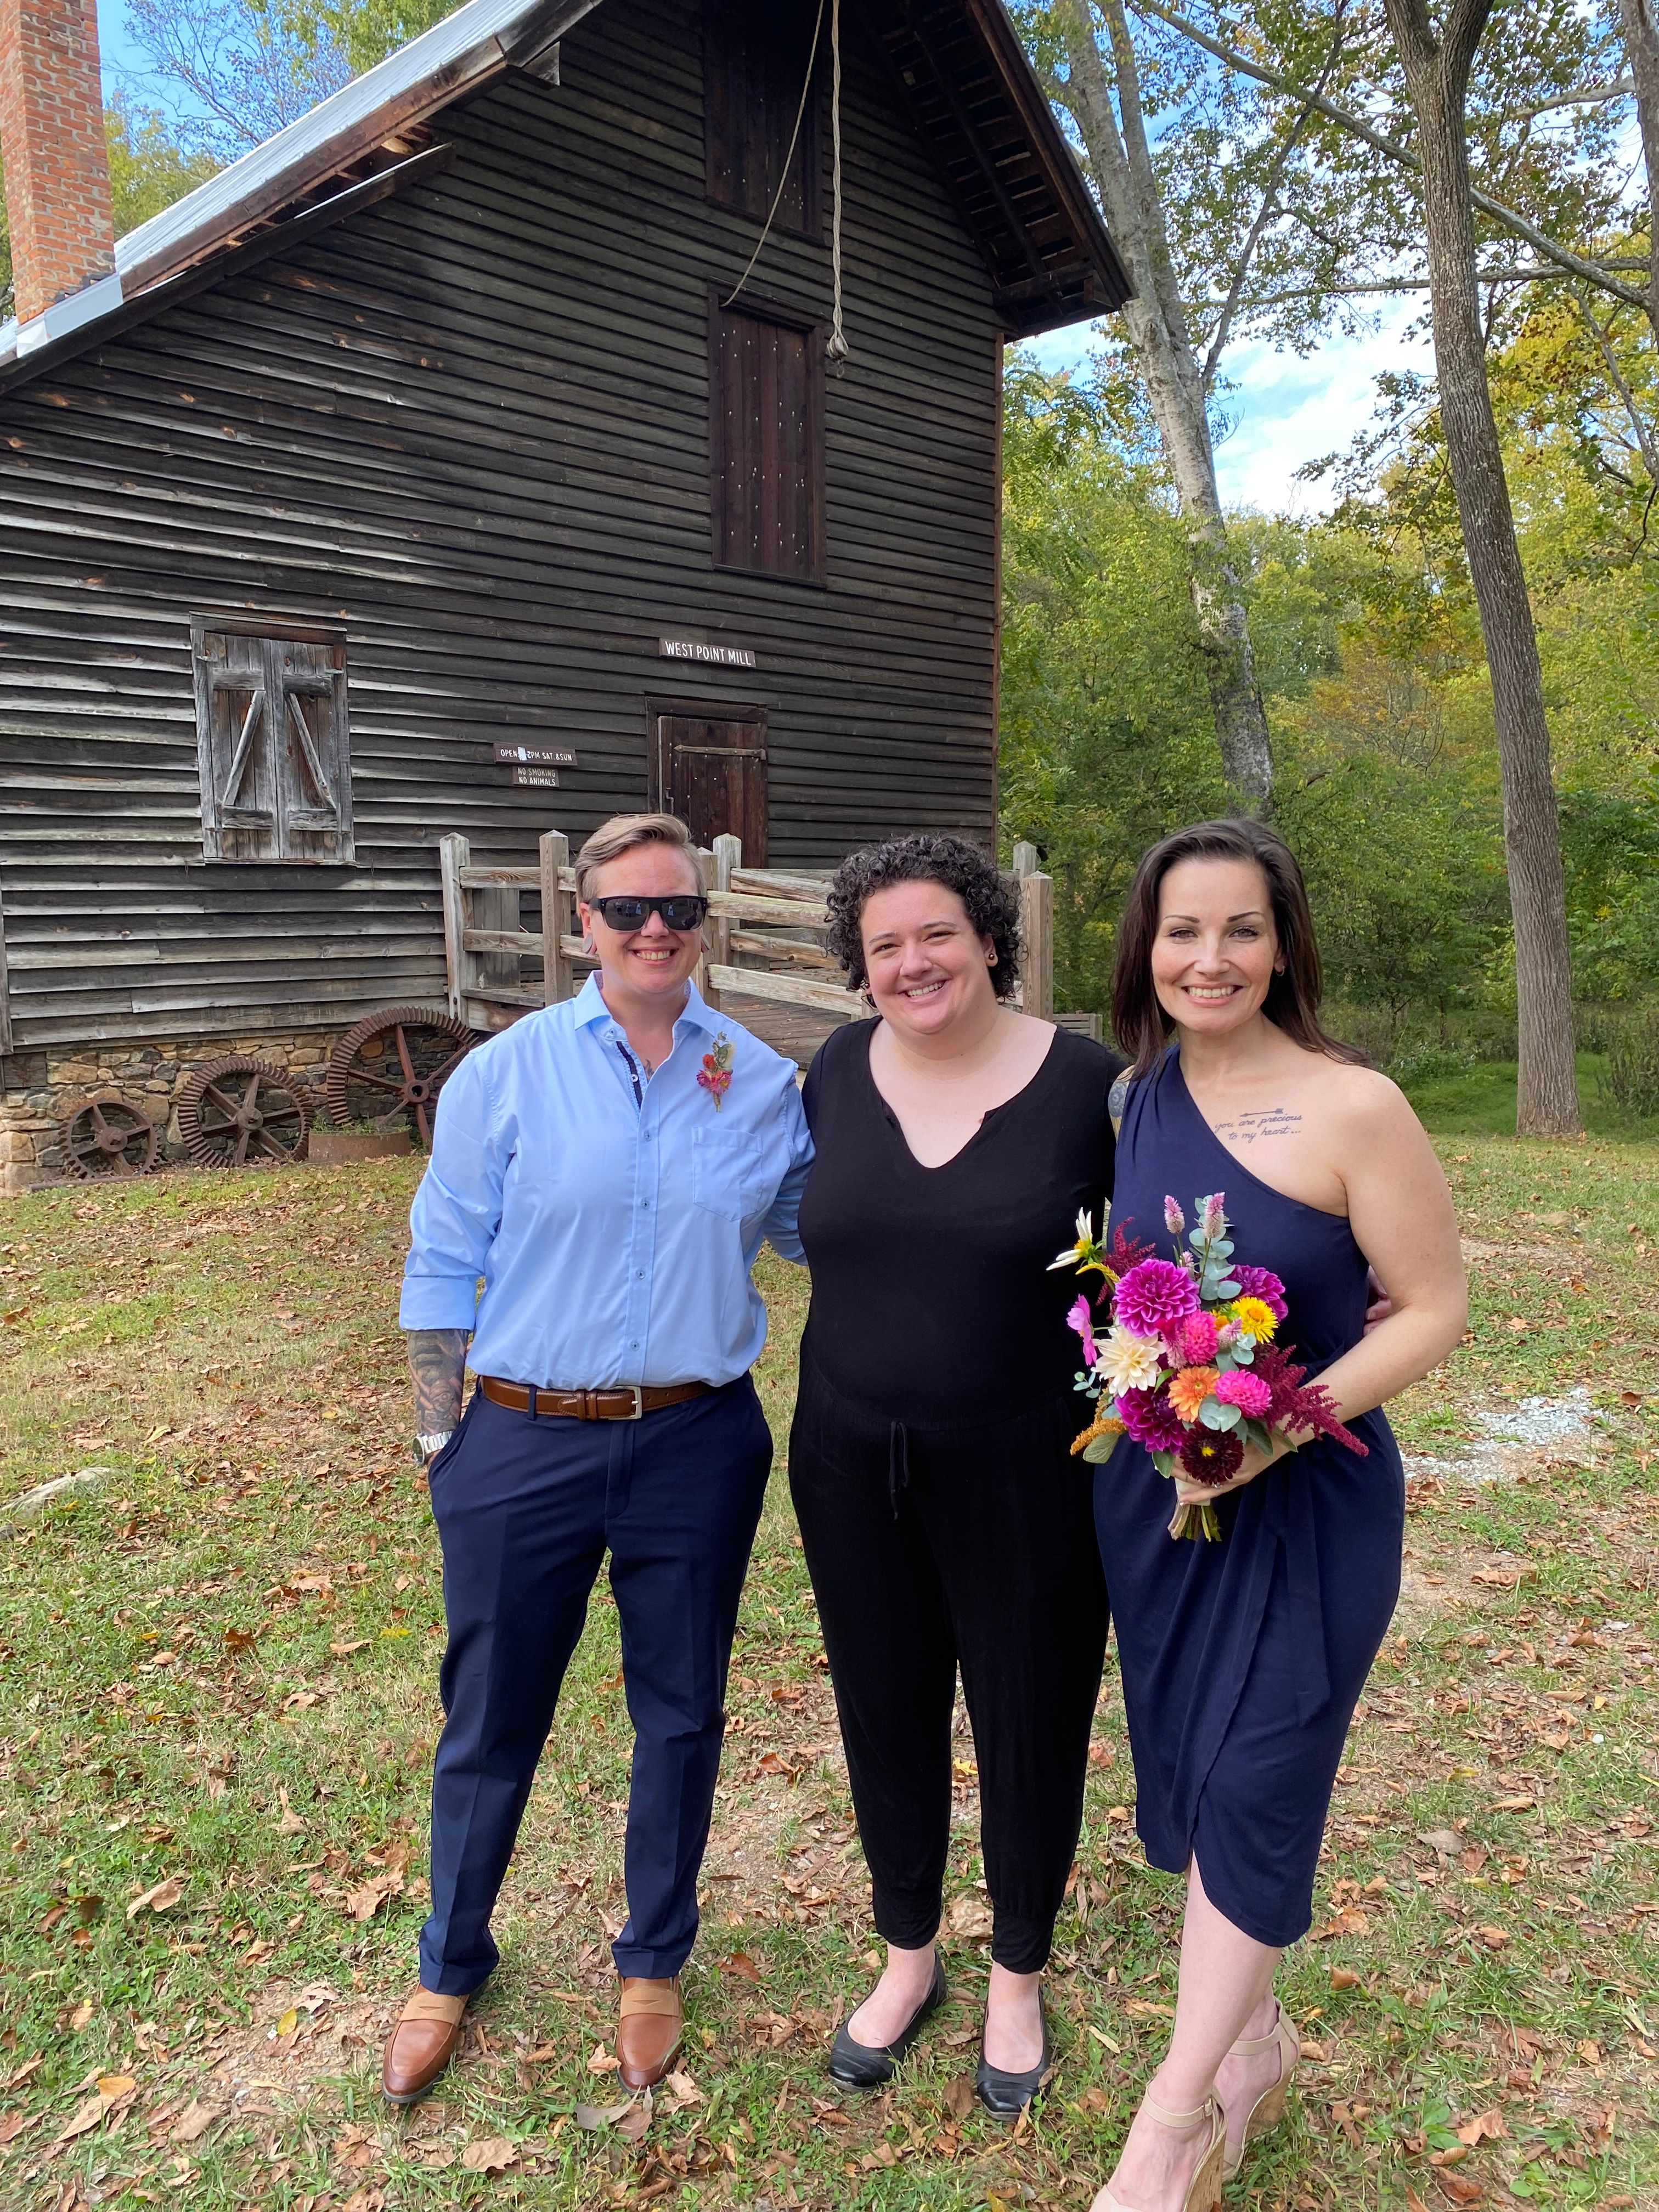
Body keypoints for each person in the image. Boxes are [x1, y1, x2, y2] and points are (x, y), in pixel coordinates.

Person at [384, 811, 811, 2107]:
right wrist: (439, 1436)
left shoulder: (766, 1082)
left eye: (677, 908)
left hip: (696, 1436)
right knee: (491, 1716)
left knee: (678, 1710)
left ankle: (651, 1958)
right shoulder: (503, 1075)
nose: (655, 929)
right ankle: (450, 1961)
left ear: (704, 922)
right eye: (627, 909)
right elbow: (443, 1262)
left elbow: (829, 1236)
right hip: (519, 1438)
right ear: (586, 923)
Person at [1086, 820, 1466, 2212]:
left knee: (1258, 1783)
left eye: (1241, 929)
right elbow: (1138, 1295)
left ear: (1285, 943)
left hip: (1310, 1505)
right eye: (1184, 930)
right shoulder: (1137, 1102)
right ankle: (1251, 2044)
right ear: (1146, 949)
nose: (1211, 957)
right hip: (1160, 1500)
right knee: (1188, 1777)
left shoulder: (1356, 1106)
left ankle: (1172, 2125)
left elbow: (1434, 1308)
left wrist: (1281, 1427)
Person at [787, 834, 1119, 2114]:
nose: (913, 962)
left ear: (989, 937)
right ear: (859, 968)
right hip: (850, 1457)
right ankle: (908, 1950)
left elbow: (1171, 1234)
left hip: (1030, 1463)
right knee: (884, 1702)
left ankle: (1019, 1971)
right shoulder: (832, 1072)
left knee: (1031, 1715)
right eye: (884, 946)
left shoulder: (1088, 1083)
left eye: (937, 934)